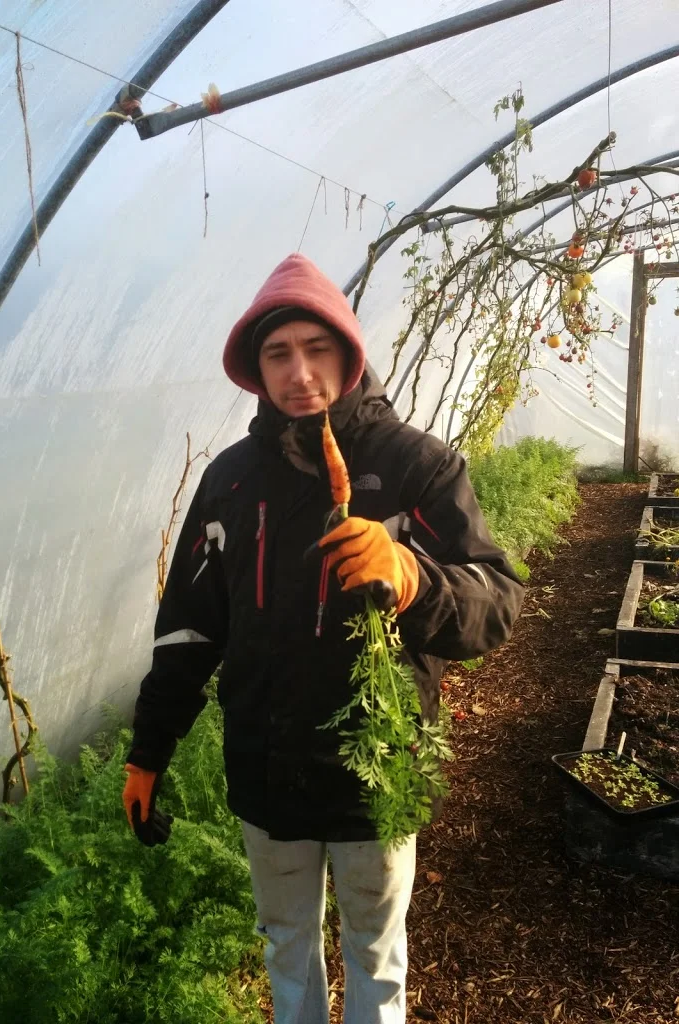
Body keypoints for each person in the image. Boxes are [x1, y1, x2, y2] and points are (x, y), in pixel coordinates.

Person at [122, 253, 524, 1024]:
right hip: (266, 762)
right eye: (278, 353)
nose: (299, 372)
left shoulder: (416, 468)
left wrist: (412, 576)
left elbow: (498, 599)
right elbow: (189, 629)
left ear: (348, 354)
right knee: (285, 945)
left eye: (316, 348)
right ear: (257, 370)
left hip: (377, 769)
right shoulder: (231, 482)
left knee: (374, 952)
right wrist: (148, 751)